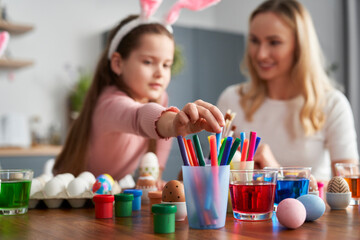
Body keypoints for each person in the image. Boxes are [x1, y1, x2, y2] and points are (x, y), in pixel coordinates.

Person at [53, 15, 225, 189]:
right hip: (75, 196)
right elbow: (137, 115)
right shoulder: (109, 103)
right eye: (148, 62)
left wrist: (155, 175)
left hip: (109, 195)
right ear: (118, 63)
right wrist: (173, 123)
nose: (160, 73)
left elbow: (161, 145)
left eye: (166, 65)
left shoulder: (160, 97)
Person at [217, 0, 359, 180]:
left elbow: (349, 188)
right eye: (254, 40)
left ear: (299, 47)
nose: (261, 54)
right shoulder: (232, 99)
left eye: (274, 42)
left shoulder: (332, 104)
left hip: (312, 209)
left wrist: (277, 171)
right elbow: (216, 173)